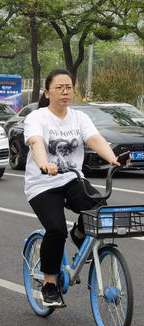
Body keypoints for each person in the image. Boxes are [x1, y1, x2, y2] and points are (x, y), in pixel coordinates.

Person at [24, 68, 126, 308]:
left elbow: (95, 139)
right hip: (42, 184)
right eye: (59, 87)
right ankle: (50, 284)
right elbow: (36, 142)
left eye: (68, 87)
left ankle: (79, 234)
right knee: (56, 229)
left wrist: (113, 159)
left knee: (101, 210)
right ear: (48, 92)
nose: (65, 91)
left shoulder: (79, 118)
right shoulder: (37, 117)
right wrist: (43, 163)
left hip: (71, 178)